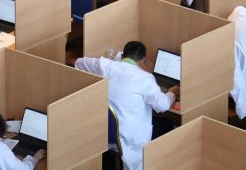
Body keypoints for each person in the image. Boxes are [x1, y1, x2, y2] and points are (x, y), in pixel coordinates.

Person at [75, 41, 179, 170]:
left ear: (123, 55)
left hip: (102, 132)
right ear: (143, 61)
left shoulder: (105, 65)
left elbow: (78, 63)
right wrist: (173, 92)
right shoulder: (145, 78)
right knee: (167, 124)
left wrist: (114, 61)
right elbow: (162, 106)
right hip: (128, 138)